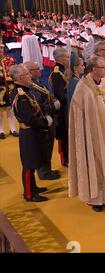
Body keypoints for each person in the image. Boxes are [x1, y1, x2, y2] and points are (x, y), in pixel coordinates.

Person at [68, 56, 105, 212]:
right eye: (102, 68)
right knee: (96, 161)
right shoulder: (83, 88)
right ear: (93, 69)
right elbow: (79, 117)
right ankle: (97, 199)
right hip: (94, 134)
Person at [10, 64, 53, 202]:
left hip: (33, 132)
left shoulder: (24, 90)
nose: (30, 76)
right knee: (29, 164)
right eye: (27, 74)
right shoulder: (21, 95)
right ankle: (29, 193)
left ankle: (33, 187)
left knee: (34, 160)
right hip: (29, 133)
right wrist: (45, 122)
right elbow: (29, 119)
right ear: (21, 77)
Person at [24, 61, 61, 180]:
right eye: (36, 69)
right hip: (44, 121)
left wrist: (53, 101)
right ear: (29, 72)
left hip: (49, 119)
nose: (40, 70)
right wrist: (53, 106)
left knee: (48, 146)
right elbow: (39, 105)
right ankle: (44, 172)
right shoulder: (31, 87)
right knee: (45, 147)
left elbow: (48, 95)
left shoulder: (37, 83)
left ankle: (47, 170)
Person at [49, 48, 70, 167]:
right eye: (66, 57)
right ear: (61, 58)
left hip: (67, 108)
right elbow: (60, 95)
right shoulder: (57, 73)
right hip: (62, 110)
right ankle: (64, 158)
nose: (68, 59)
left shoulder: (63, 70)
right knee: (64, 134)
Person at [0, 44, 17, 139]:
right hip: (1, 88)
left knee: (10, 109)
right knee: (0, 110)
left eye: (2, 48)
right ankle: (1, 130)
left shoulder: (9, 59)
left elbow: (15, 70)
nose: (1, 50)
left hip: (9, 86)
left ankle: (13, 129)